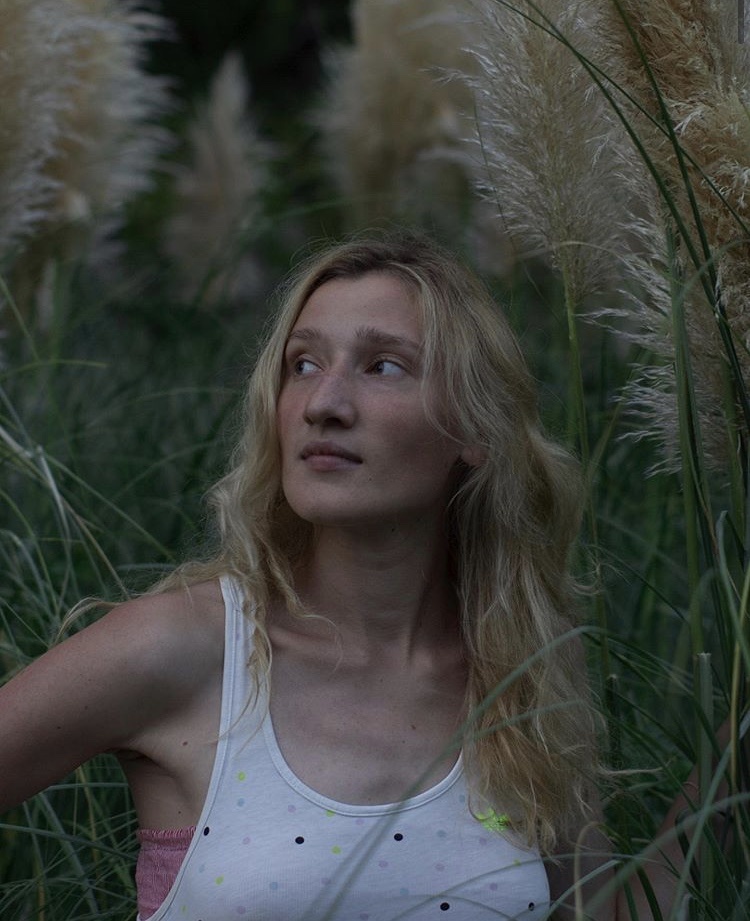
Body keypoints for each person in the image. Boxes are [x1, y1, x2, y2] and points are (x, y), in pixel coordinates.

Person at [0, 230, 712, 920]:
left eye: (383, 367)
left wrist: (725, 778)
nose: (323, 403)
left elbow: (599, 913)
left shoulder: (518, 671)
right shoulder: (188, 648)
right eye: (303, 364)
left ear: (475, 429)